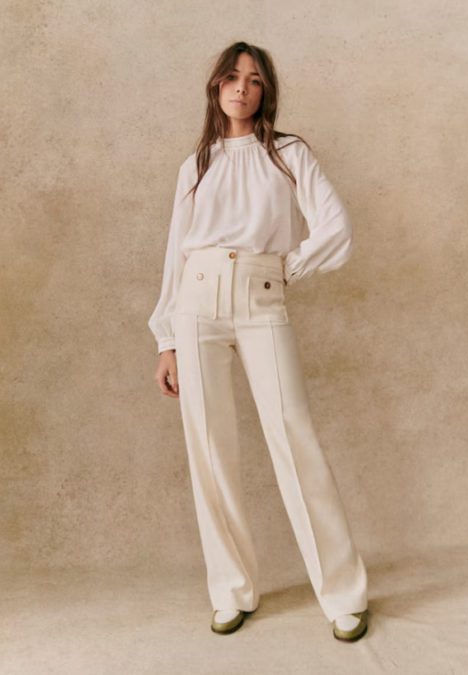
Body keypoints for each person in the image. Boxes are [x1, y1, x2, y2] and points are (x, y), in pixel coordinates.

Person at [148, 41, 369, 642]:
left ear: (265, 91)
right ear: (216, 86)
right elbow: (175, 255)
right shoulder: (195, 165)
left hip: (260, 299)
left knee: (294, 438)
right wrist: (166, 337)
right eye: (231, 77)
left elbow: (336, 226)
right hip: (195, 305)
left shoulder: (288, 154)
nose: (241, 88)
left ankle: (343, 594)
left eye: (254, 80)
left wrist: (284, 269)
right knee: (209, 450)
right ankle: (231, 590)